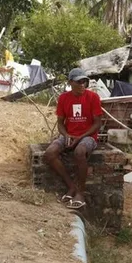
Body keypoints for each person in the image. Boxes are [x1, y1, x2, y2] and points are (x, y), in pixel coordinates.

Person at [43, 68, 103, 210]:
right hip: (69, 135)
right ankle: (71, 187)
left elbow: (97, 123)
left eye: (85, 82)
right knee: (49, 153)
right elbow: (60, 123)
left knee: (79, 152)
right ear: (70, 82)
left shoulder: (93, 97)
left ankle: (80, 193)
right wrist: (66, 135)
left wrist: (80, 137)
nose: (82, 85)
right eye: (79, 82)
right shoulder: (64, 98)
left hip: (88, 136)